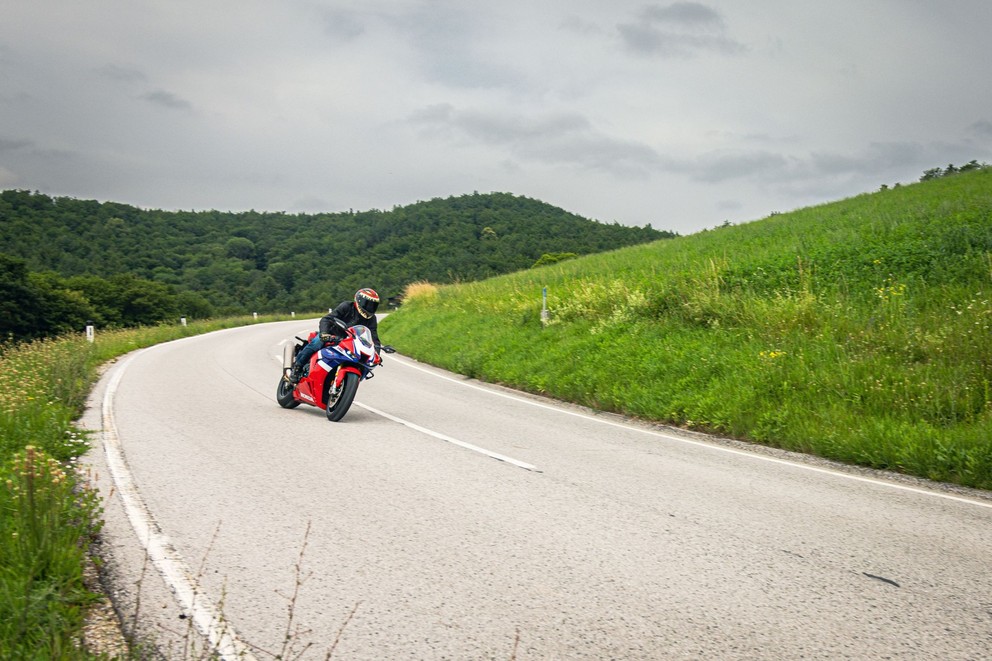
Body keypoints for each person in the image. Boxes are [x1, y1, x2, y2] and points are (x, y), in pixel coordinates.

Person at [289, 288, 381, 383]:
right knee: (317, 342)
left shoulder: (372, 319)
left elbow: (374, 337)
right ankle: (297, 368)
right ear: (359, 300)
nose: (370, 307)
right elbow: (327, 319)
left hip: (349, 342)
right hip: (332, 335)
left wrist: (376, 353)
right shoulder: (347, 306)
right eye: (367, 304)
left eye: (373, 305)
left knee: (360, 360)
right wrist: (324, 333)